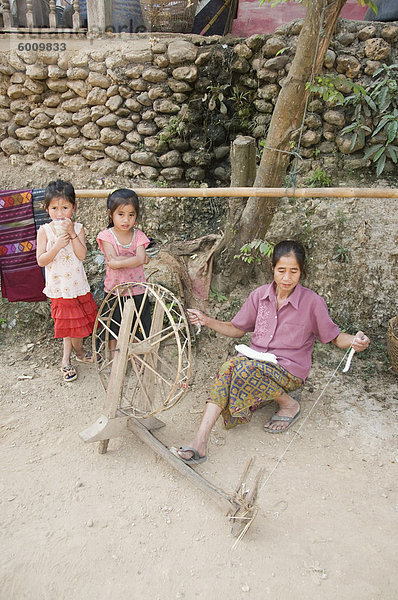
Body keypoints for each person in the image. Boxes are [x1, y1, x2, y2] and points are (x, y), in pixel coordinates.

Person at [171, 240, 370, 465]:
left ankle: (289, 404)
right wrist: (207, 321)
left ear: (301, 271)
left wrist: (354, 341)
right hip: (257, 364)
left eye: (293, 271)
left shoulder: (312, 302)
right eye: (281, 270)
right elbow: (237, 329)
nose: (287, 278)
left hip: (289, 371)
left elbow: (334, 336)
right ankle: (199, 441)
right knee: (229, 367)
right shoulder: (259, 297)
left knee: (246, 370)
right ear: (272, 268)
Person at [36, 179, 98, 382]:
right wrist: (55, 247)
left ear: (74, 207)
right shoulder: (45, 231)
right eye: (54, 208)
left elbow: (81, 255)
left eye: (65, 207)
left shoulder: (78, 228)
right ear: (46, 208)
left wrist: (71, 235)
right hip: (59, 287)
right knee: (67, 326)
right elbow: (41, 260)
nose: (60, 213)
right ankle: (66, 360)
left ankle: (78, 352)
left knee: (78, 325)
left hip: (77, 286)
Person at [96, 189, 151, 356]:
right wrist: (136, 258)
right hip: (115, 290)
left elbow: (126, 260)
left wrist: (121, 261)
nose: (126, 220)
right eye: (121, 214)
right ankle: (113, 357)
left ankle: (136, 356)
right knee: (113, 325)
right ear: (110, 214)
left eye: (131, 215)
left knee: (138, 324)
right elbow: (113, 261)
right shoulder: (106, 236)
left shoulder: (139, 235)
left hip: (137, 289)